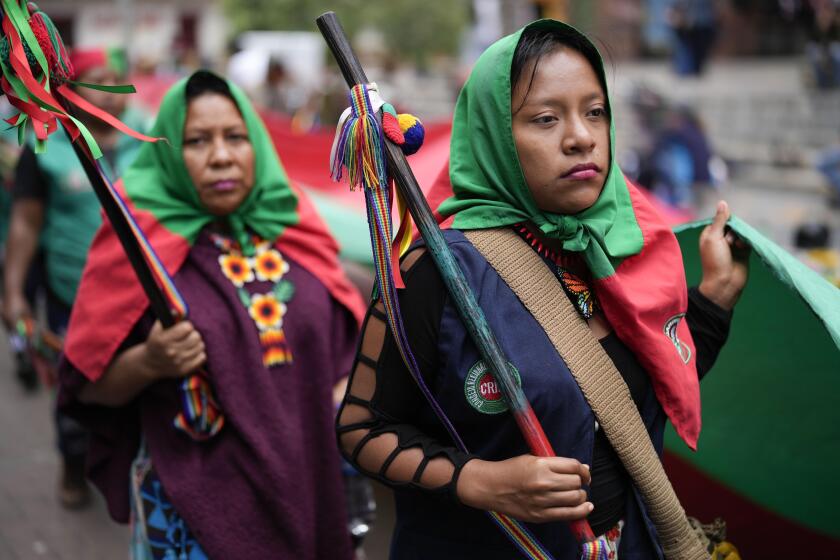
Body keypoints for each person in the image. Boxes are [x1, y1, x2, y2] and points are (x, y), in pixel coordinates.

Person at [337, 20, 749, 558]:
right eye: (546, 118)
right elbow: (362, 427)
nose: (581, 136)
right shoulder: (436, 269)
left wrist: (715, 297)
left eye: (595, 112)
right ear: (495, 135)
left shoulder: (625, 247)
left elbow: (638, 391)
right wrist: (480, 480)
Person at [57, 70, 365, 559]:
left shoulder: (292, 221)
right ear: (166, 151)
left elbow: (346, 356)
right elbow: (87, 387)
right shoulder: (135, 241)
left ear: (257, 145)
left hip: (309, 487)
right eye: (197, 140)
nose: (221, 156)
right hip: (194, 516)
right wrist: (149, 362)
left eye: (236, 137)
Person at [1, 47, 148, 509]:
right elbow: (25, 222)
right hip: (73, 296)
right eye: (96, 79)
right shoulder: (45, 145)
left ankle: (135, 469)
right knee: (77, 385)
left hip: (145, 295)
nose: (110, 92)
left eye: (115, 80)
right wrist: (13, 293)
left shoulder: (148, 137)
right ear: (70, 88)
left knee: (143, 385)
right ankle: (73, 462)